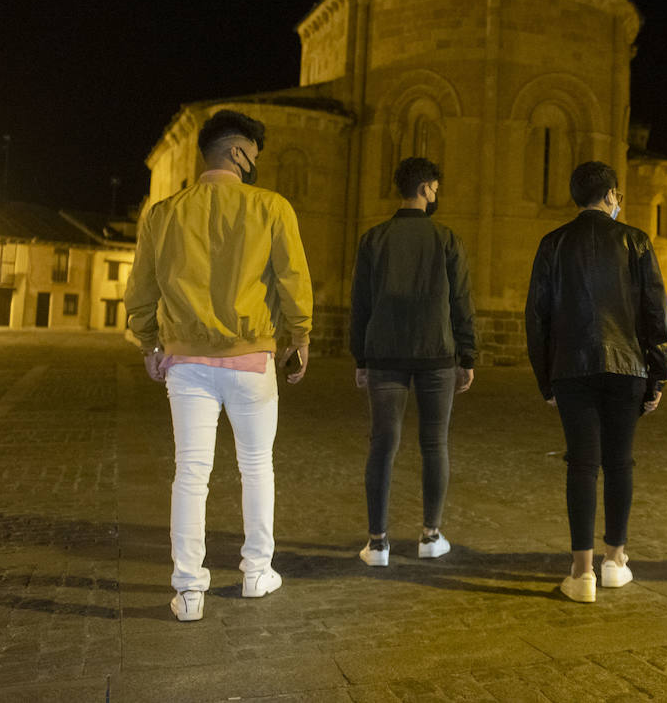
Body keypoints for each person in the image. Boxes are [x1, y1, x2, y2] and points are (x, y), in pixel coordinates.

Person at [124, 109, 313, 622]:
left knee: (191, 474)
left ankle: (188, 591)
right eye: (253, 153)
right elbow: (292, 277)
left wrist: (149, 343)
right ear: (237, 151)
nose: (256, 162)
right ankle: (256, 572)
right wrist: (300, 334)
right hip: (251, 358)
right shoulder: (271, 207)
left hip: (185, 362)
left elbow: (140, 291)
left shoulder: (162, 214)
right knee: (257, 468)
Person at [525, 160, 667, 603]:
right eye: (617, 195)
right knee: (620, 462)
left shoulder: (553, 243)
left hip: (571, 367)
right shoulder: (637, 241)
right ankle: (615, 561)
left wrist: (545, 378)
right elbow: (654, 313)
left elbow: (537, 316)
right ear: (610, 196)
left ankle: (581, 571)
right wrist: (658, 374)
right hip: (627, 367)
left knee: (583, 464)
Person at [350, 157, 476, 566]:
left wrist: (360, 357)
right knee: (434, 444)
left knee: (382, 445)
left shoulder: (374, 239)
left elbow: (361, 305)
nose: (436, 195)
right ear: (425, 188)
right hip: (437, 354)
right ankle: (430, 536)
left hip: (384, 355)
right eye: (435, 188)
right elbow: (461, 302)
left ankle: (378, 543)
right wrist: (467, 353)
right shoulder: (446, 239)